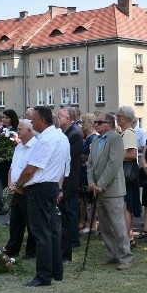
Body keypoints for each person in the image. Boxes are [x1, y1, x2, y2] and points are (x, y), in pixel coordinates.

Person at [12, 106, 69, 287]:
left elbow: (31, 168)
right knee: (51, 230)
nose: (32, 122)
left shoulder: (45, 139)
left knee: (41, 233)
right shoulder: (61, 137)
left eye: (34, 119)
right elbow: (64, 168)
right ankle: (55, 271)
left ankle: (43, 276)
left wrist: (18, 184)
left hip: (40, 188)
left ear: (42, 121)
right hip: (51, 186)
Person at [87, 112, 134, 269]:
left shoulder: (115, 138)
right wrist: (91, 183)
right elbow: (90, 163)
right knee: (105, 226)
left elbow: (113, 163)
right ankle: (112, 255)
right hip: (97, 189)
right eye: (95, 122)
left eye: (99, 122)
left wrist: (100, 183)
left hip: (112, 189)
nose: (96, 124)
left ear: (109, 124)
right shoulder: (95, 140)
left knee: (117, 224)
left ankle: (126, 257)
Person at [5, 119, 36, 259]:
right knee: (16, 221)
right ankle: (12, 248)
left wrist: (20, 185)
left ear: (29, 131)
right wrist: (11, 183)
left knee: (32, 222)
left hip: (28, 189)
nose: (17, 132)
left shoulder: (36, 146)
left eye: (20, 129)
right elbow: (12, 167)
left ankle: (31, 251)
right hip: (16, 190)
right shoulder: (19, 147)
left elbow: (31, 170)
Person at [57, 107, 83, 261]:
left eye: (60, 116)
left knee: (71, 209)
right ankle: (68, 237)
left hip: (70, 178)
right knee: (67, 209)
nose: (58, 119)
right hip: (64, 177)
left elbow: (69, 157)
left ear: (67, 118)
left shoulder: (74, 134)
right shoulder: (65, 133)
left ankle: (73, 239)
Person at [117, 106, 141, 246]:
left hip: (127, 175)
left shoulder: (129, 133)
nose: (117, 118)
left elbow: (132, 154)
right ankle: (128, 235)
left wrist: (113, 156)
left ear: (126, 118)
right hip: (124, 174)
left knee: (126, 205)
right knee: (124, 205)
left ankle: (128, 236)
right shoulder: (124, 133)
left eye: (119, 116)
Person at [79, 113, 98, 234]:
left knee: (91, 200)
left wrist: (79, 156)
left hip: (88, 173)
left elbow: (87, 157)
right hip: (84, 172)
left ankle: (93, 225)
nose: (82, 125)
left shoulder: (93, 138)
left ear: (91, 124)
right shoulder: (88, 138)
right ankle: (91, 223)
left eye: (84, 122)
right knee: (87, 199)